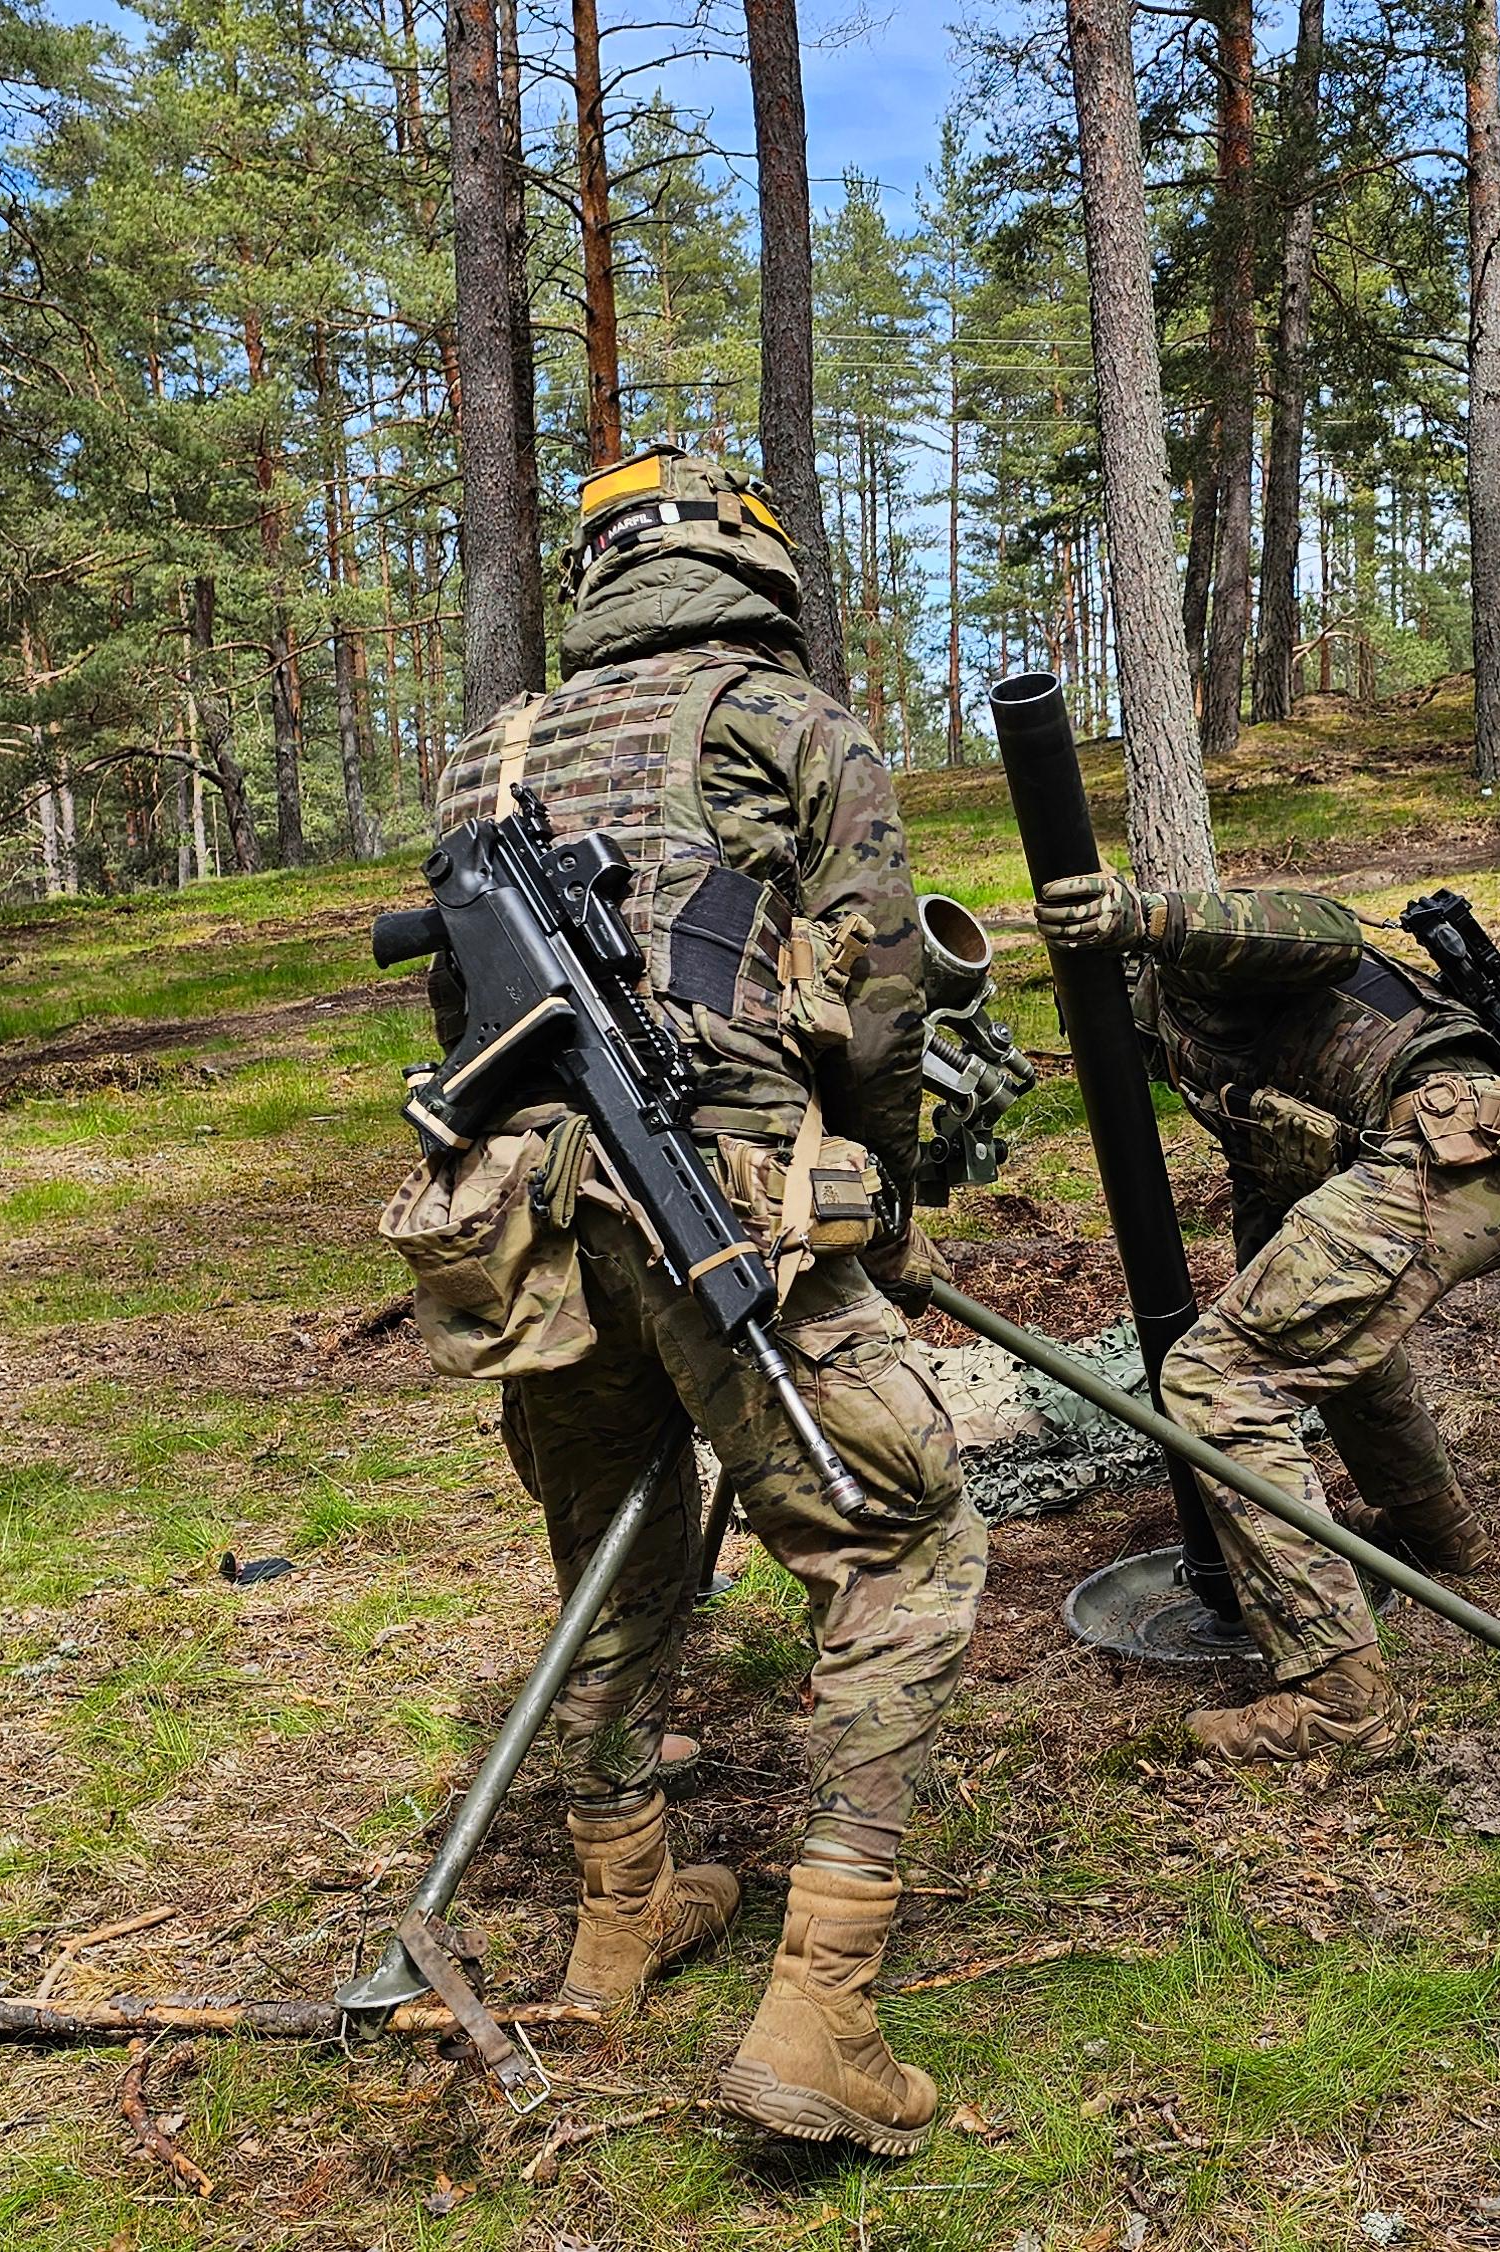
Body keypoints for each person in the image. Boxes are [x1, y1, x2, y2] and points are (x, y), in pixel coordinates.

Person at [419, 447, 973, 2154]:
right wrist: (882, 1189)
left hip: (524, 1212)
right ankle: (823, 2010)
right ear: (754, 560)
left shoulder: (491, 746)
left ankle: (618, 1919)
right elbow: (881, 993)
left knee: (610, 1565)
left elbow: (459, 996)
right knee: (904, 1540)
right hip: (718, 1193)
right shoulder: (787, 719)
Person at [1032, 875, 1500, 1762]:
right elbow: (1271, 1183)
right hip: (1452, 1163)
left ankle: (1338, 1698)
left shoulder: (1194, 968)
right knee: (1320, 1346)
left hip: (1451, 1157)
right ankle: (1438, 1538)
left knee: (1217, 1379)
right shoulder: (1199, 1052)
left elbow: (1324, 931)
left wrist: (1153, 918)